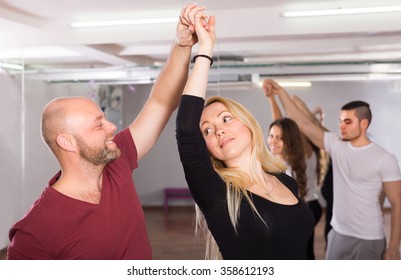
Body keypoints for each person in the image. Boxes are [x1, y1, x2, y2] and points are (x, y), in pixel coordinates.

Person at [7, 3, 204, 260]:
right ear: (67, 141)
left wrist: (182, 44)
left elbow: (161, 102)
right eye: (98, 124)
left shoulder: (117, 162)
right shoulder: (34, 233)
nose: (111, 126)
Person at [175, 10, 314, 260]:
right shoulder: (216, 192)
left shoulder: (285, 182)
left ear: (248, 125)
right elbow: (185, 128)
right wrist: (205, 49)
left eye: (226, 119)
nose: (218, 130)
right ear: (207, 147)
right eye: (207, 130)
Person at [263, 78, 401, 260]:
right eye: (340, 120)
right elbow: (304, 124)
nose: (341, 126)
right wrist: (280, 93)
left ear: (364, 124)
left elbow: (397, 204)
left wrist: (393, 247)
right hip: (338, 234)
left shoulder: (384, 159)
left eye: (348, 122)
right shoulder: (336, 144)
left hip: (369, 237)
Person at [264, 90, 326, 259]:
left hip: (307, 206)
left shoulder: (300, 150)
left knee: (302, 252)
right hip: (305, 205)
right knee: (301, 250)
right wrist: (271, 98)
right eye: (271, 136)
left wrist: (280, 97)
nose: (273, 140)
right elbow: (279, 125)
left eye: (279, 137)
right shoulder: (294, 149)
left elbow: (284, 126)